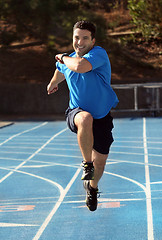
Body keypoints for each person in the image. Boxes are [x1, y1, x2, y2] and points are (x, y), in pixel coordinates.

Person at [47, 20, 119, 211]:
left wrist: (62, 57)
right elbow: (59, 72)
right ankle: (87, 164)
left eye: (85, 38)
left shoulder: (98, 54)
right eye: (76, 38)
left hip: (102, 117)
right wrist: (52, 83)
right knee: (85, 118)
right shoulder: (67, 60)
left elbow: (79, 66)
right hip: (76, 112)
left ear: (93, 40)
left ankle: (92, 188)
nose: (80, 42)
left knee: (101, 164)